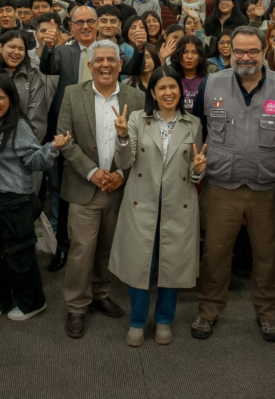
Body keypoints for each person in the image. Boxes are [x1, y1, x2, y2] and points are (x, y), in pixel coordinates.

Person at [190, 26, 275, 343]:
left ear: (264, 51)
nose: (245, 57)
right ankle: (208, 311)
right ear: (230, 51)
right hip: (221, 186)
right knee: (215, 255)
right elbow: (198, 130)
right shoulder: (212, 83)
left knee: (268, 256)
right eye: (239, 51)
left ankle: (267, 313)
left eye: (253, 51)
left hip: (267, 189)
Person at [110, 66, 205, 346]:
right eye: (161, 88)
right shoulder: (138, 119)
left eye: (173, 87)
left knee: (171, 265)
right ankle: (137, 322)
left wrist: (199, 170)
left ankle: (165, 320)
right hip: (142, 202)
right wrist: (123, 135)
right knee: (139, 264)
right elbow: (125, 163)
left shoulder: (193, 123)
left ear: (180, 91)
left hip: (180, 204)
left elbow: (195, 169)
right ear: (152, 92)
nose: (168, 93)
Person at [56, 40, 145, 339]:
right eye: (99, 60)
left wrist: (121, 174)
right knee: (81, 250)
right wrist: (92, 173)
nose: (105, 65)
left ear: (120, 65)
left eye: (111, 60)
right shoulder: (72, 94)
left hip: (120, 187)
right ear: (90, 65)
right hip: (85, 186)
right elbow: (64, 138)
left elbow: (141, 144)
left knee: (108, 246)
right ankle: (77, 306)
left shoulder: (136, 97)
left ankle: (100, 292)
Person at [0, 73, 70, 321]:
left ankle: (32, 302)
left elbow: (34, 161)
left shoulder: (19, 125)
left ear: (11, 99)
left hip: (13, 201)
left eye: (0, 97)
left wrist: (52, 148)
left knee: (19, 255)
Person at [0, 12, 54, 141]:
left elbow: (37, 120)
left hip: (21, 146)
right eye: (12, 47)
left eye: (21, 49)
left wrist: (23, 147)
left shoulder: (32, 76)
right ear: (0, 47)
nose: (16, 52)